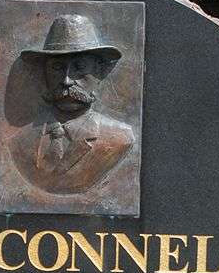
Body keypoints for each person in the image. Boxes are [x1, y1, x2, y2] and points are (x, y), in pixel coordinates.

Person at [10, 14, 135, 195]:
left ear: (99, 72)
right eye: (57, 68)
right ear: (44, 73)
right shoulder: (19, 143)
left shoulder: (120, 137)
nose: (67, 81)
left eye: (79, 67)